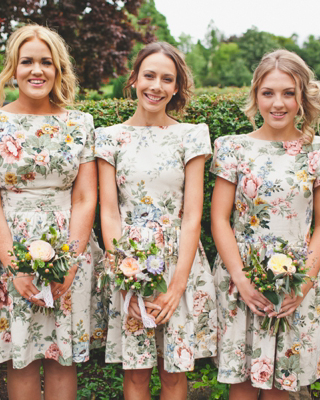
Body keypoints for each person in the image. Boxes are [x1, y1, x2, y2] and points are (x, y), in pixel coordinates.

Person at [0, 24, 101, 400]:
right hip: (9, 246)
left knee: (63, 357)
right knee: (19, 357)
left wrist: (71, 260)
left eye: (46, 62)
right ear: (13, 67)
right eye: (27, 61)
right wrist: (16, 266)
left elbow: (84, 199)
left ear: (58, 69)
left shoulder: (80, 123)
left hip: (68, 245)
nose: (36, 70)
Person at [210, 49, 320, 398]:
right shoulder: (232, 147)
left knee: (281, 387)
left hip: (296, 279)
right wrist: (240, 278)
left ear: (302, 96)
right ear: (256, 95)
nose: (278, 103)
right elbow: (219, 219)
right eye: (268, 93)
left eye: (288, 92)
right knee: (239, 383)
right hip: (242, 280)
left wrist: (302, 286)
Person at [95, 42, 218, 400]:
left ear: (177, 87)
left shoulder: (191, 135)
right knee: (134, 375)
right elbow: (110, 211)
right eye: (149, 75)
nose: (157, 86)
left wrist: (177, 286)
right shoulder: (109, 137)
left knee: (174, 374)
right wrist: (124, 276)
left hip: (179, 261)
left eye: (167, 79)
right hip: (129, 261)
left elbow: (193, 214)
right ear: (134, 79)